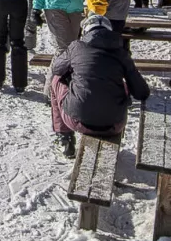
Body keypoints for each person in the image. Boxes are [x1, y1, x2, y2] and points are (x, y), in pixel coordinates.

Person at [49, 13, 151, 158]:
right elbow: (142, 93)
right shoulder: (121, 53)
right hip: (114, 124)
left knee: (56, 80)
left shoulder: (77, 47)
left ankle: (64, 138)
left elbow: (57, 69)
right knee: (119, 84)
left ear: (86, 32)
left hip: (77, 120)